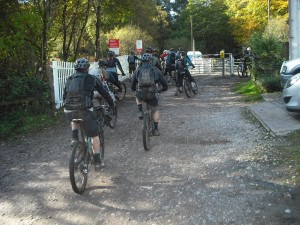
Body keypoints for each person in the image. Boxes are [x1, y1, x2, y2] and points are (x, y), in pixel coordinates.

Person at [63, 58, 114, 170]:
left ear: (75, 68)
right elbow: (104, 93)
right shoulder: (91, 78)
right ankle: (97, 161)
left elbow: (64, 96)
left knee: (74, 117)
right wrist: (111, 104)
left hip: (68, 110)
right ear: (87, 68)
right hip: (84, 110)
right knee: (94, 135)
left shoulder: (69, 79)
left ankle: (74, 138)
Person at [131, 53, 168, 136]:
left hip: (140, 93)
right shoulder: (154, 69)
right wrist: (164, 88)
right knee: (155, 110)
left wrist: (134, 90)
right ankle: (156, 130)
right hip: (152, 93)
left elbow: (133, 83)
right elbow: (163, 80)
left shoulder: (138, 70)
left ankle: (140, 110)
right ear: (150, 61)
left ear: (142, 61)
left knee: (137, 96)